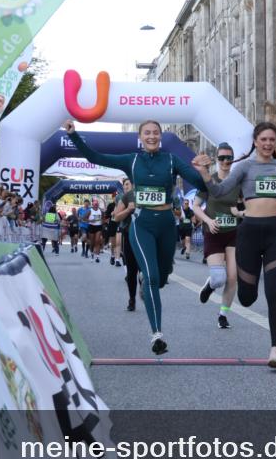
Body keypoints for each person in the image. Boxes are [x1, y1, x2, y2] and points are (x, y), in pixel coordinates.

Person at [192, 121, 276, 369]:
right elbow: (221, 191)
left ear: (275, 143)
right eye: (263, 139)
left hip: (274, 234)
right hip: (249, 235)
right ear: (255, 141)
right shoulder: (244, 167)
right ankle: (234, 292)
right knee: (246, 297)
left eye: (271, 140)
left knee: (274, 292)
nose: (267, 144)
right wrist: (204, 173)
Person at [67, 119, 207, 355]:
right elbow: (95, 157)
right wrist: (73, 136)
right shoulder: (131, 160)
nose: (151, 136)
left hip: (166, 226)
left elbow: (201, 183)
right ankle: (157, 335)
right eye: (147, 133)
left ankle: (150, 284)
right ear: (140, 137)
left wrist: (204, 170)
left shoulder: (171, 160)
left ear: (160, 136)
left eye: (155, 133)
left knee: (161, 278)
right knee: (151, 277)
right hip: (141, 226)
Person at [193, 142, 243, 329]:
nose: (225, 161)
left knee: (232, 278)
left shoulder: (237, 181)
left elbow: (242, 205)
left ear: (233, 159)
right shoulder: (209, 180)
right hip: (213, 233)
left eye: (228, 158)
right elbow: (196, 206)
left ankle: (223, 315)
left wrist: (239, 212)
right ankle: (210, 285)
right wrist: (208, 220)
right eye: (221, 158)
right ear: (216, 159)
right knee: (219, 279)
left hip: (232, 233)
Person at [112, 179, 140, 311]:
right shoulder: (127, 196)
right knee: (132, 271)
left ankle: (146, 290)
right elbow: (116, 217)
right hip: (130, 236)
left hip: (147, 237)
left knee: (146, 271)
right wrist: (129, 210)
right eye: (125, 185)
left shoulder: (152, 192)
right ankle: (132, 299)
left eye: (128, 184)